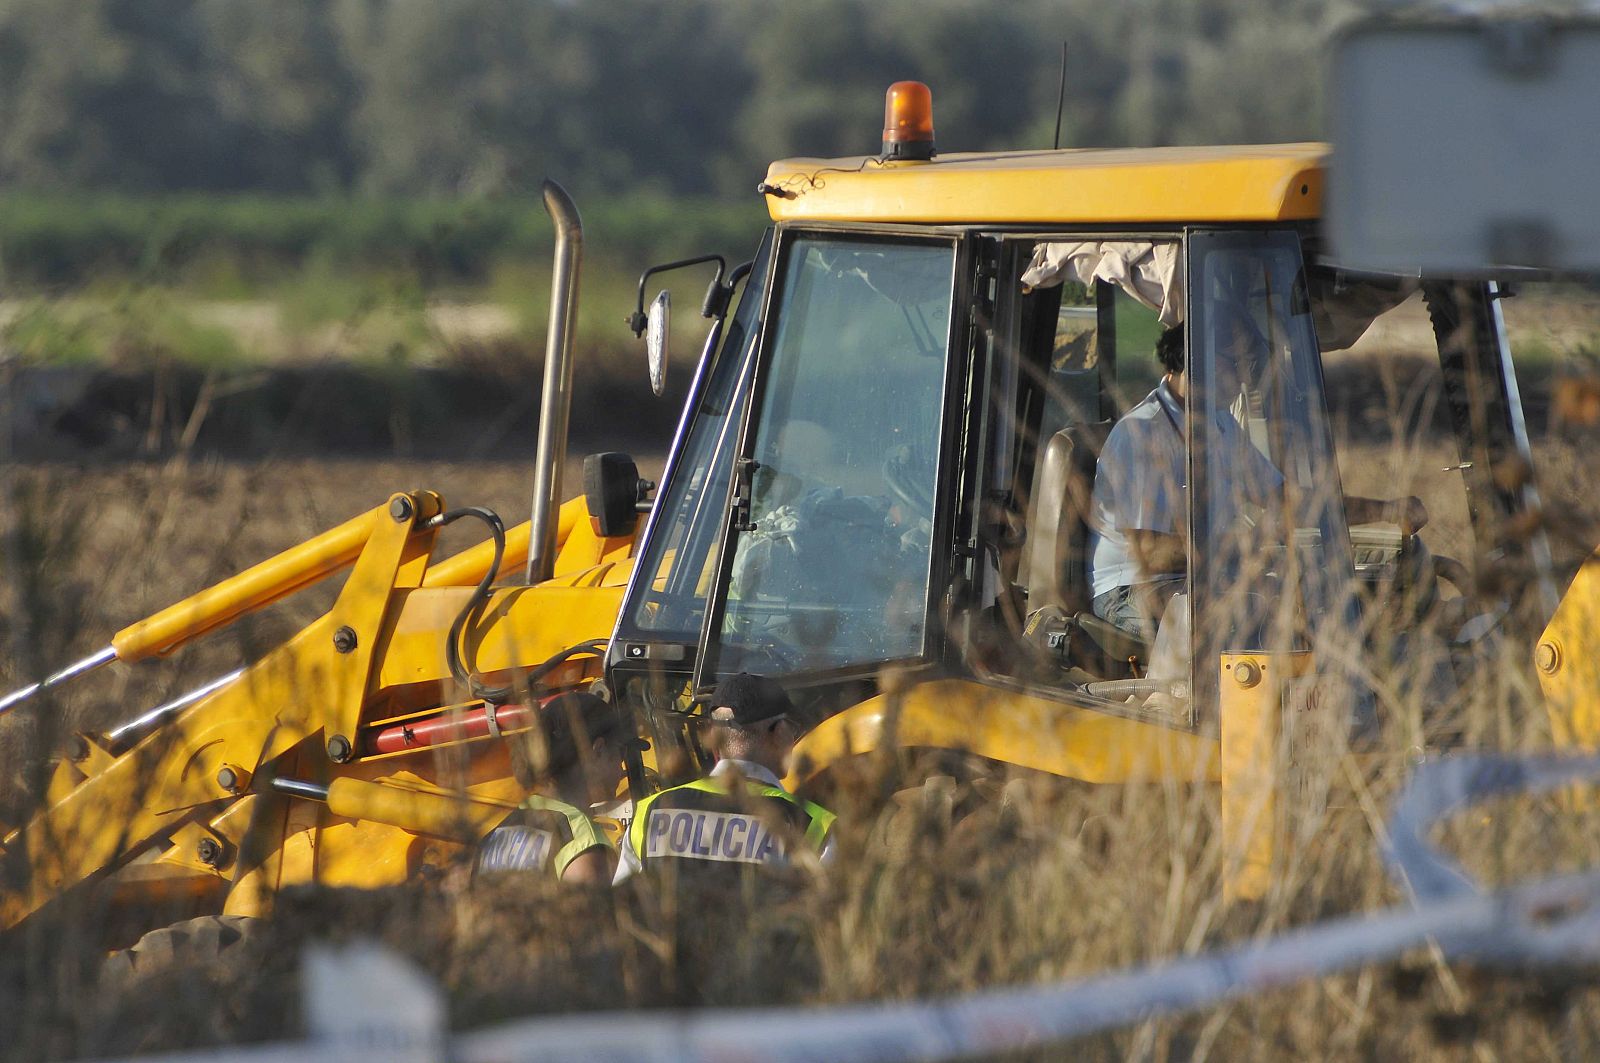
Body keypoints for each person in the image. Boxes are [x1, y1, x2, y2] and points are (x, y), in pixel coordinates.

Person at [1086, 324, 1428, 641]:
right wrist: (1245, 547)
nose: (1243, 378)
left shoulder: (1220, 423)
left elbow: (1289, 500)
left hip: (1201, 579)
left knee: (1322, 595)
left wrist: (1386, 510)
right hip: (1133, 589)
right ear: (1192, 358)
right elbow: (1150, 554)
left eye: (1248, 365)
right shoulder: (1141, 434)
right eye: (1234, 363)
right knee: (1253, 615)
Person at [613, 672, 835, 885]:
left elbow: (619, 904)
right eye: (792, 729)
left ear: (714, 737)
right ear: (780, 731)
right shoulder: (814, 825)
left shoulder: (649, 813)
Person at [477, 690, 640, 884]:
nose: (622, 767)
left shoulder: (495, 837)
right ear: (598, 751)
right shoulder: (581, 840)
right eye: (621, 752)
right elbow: (590, 904)